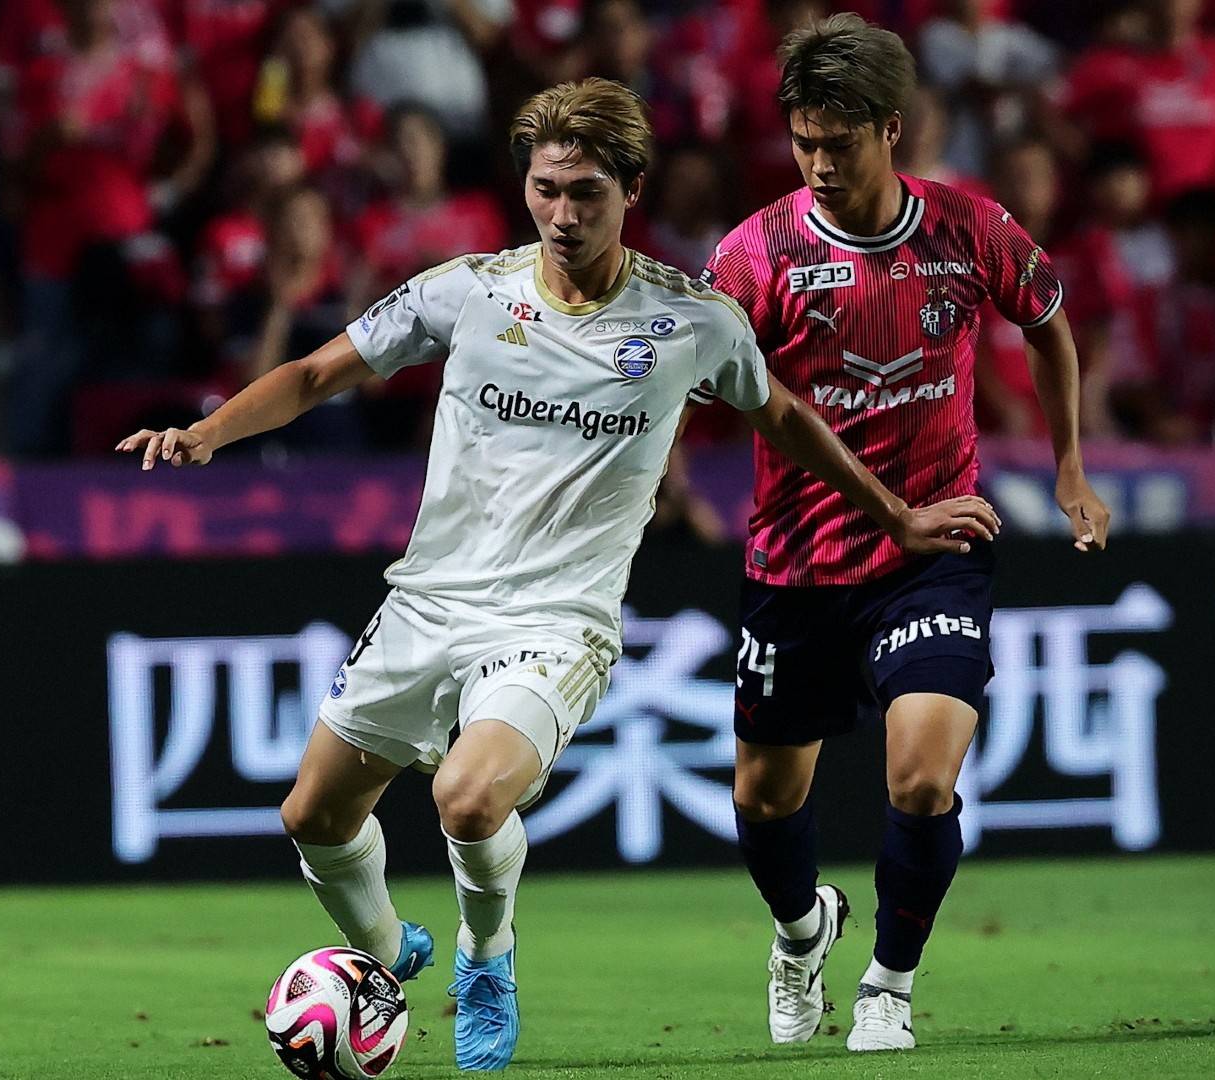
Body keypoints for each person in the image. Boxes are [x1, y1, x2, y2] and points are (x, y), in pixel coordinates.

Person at [117, 77, 992, 1071]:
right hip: (428, 602)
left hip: (556, 623)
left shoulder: (691, 321)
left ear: (631, 190)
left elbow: (784, 415)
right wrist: (207, 433)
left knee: (467, 797)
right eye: (546, 190)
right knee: (311, 817)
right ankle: (386, 952)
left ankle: (487, 956)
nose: (563, 214)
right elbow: (319, 373)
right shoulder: (468, 292)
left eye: (586, 193)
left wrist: (894, 512)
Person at [697, 15, 1108, 1053]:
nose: (820, 164)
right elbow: (698, 377)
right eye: (804, 143)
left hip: (935, 551)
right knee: (763, 797)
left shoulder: (970, 230)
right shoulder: (755, 253)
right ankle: (803, 933)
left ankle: (889, 983)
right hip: (796, 562)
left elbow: (1049, 326)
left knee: (922, 777)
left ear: (893, 128)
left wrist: (1068, 466)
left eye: (840, 142)